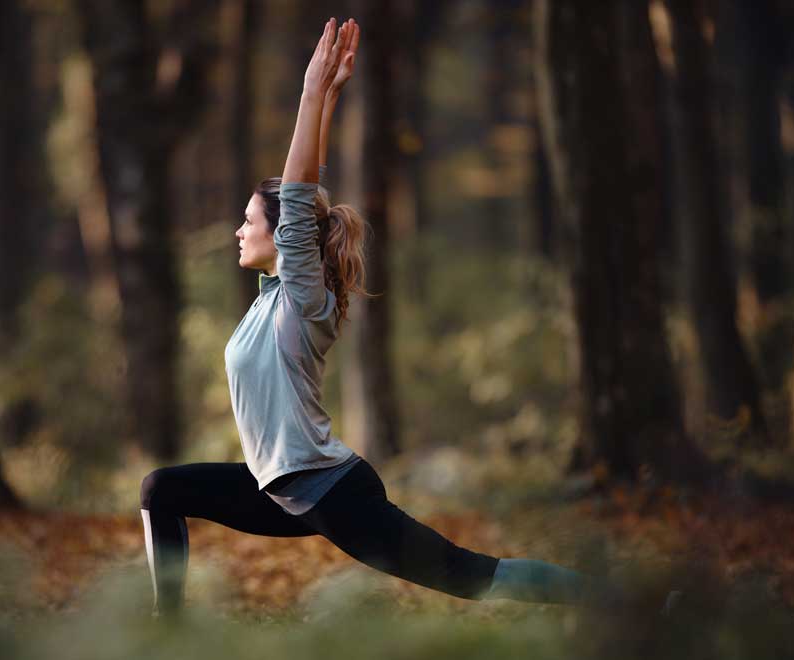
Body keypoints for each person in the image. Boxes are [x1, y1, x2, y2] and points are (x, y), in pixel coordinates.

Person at [139, 17, 614, 617]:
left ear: (283, 237)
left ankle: (632, 606)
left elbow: (298, 195)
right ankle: (167, 629)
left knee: (470, 576)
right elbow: (306, 200)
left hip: (329, 491)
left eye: (248, 220)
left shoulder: (303, 301)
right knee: (162, 488)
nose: (238, 229)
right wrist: (330, 97)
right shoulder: (269, 296)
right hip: (275, 490)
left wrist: (313, 95)